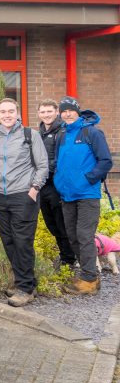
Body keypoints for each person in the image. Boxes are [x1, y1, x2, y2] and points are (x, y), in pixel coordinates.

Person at [0, 98, 49, 307]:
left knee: (22, 241)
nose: (7, 115)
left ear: (17, 113)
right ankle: (25, 281)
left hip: (23, 195)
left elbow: (42, 165)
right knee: (9, 241)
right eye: (3, 112)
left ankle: (25, 289)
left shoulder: (30, 135)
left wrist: (34, 189)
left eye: (11, 111)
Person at [55, 96, 114, 295]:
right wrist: (58, 181)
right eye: (63, 111)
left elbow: (105, 161)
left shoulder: (92, 132)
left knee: (84, 236)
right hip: (67, 194)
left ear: (77, 112)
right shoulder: (62, 134)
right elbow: (58, 162)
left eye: (70, 110)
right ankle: (90, 276)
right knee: (72, 236)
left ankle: (88, 279)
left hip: (87, 194)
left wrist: (88, 179)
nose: (67, 114)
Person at [37, 99, 76, 270]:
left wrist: (44, 172)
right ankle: (65, 255)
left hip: (56, 184)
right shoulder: (38, 133)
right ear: (39, 114)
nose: (46, 115)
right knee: (51, 223)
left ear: (56, 112)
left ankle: (69, 258)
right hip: (42, 185)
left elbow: (61, 158)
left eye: (49, 111)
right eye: (43, 112)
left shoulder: (63, 131)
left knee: (62, 223)